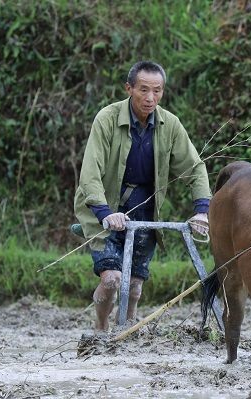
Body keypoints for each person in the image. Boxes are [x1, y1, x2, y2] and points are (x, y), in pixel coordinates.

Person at [74, 61, 211, 334]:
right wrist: (104, 213)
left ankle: (126, 330)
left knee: (135, 286)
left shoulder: (170, 125)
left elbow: (194, 168)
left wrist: (201, 210)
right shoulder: (107, 119)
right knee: (113, 279)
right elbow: (90, 173)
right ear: (129, 89)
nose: (150, 98)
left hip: (145, 211)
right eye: (144, 90)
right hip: (106, 207)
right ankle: (101, 329)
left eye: (157, 91)